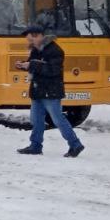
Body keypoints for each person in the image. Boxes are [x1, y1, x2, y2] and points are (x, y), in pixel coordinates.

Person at [16, 25, 85, 157]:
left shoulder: (54, 50)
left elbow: (53, 70)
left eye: (30, 40)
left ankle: (75, 144)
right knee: (36, 119)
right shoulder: (36, 50)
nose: (29, 43)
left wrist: (32, 65)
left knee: (58, 119)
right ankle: (35, 146)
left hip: (51, 91)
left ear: (38, 36)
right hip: (38, 89)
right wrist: (24, 65)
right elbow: (35, 65)